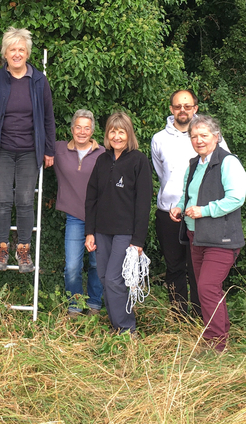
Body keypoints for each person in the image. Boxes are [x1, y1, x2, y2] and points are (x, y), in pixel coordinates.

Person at [0, 27, 56, 273]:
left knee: (24, 200)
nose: (17, 53)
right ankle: (1, 250)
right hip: (1, 150)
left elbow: (48, 119)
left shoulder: (39, 81)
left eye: (21, 49)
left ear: (28, 53)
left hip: (30, 152)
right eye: (13, 49)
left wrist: (49, 150)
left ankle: (23, 251)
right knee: (1, 200)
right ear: (5, 53)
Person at [170, 115, 246, 352]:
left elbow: (237, 197)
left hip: (221, 238)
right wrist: (180, 207)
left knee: (207, 288)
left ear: (216, 136)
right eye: (194, 136)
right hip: (197, 237)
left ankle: (215, 344)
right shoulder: (194, 163)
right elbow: (188, 195)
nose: (199, 140)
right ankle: (219, 339)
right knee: (207, 289)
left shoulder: (228, 162)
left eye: (204, 135)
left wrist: (204, 211)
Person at [152, 90, 229, 317]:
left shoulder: (208, 135)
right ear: (171, 109)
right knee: (174, 266)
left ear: (195, 108)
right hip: (169, 213)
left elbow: (224, 167)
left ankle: (199, 316)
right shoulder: (159, 139)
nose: (182, 110)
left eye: (187, 106)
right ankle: (179, 316)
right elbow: (161, 173)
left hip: (201, 214)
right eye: (177, 106)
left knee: (198, 270)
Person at [85, 112, 153, 334]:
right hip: (102, 230)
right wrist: (90, 232)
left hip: (126, 233)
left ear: (129, 134)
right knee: (105, 278)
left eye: (121, 131)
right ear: (107, 134)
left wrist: (138, 240)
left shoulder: (139, 160)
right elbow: (91, 198)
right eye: (112, 131)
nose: (116, 136)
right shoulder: (102, 160)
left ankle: (126, 330)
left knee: (115, 279)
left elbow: (144, 203)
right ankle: (117, 325)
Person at [54, 109, 104, 316]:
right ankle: (74, 305)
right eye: (78, 127)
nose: (82, 132)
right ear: (71, 129)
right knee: (72, 266)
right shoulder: (58, 149)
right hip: (74, 216)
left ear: (92, 130)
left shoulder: (104, 154)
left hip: (100, 218)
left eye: (86, 128)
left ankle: (94, 304)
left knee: (96, 264)